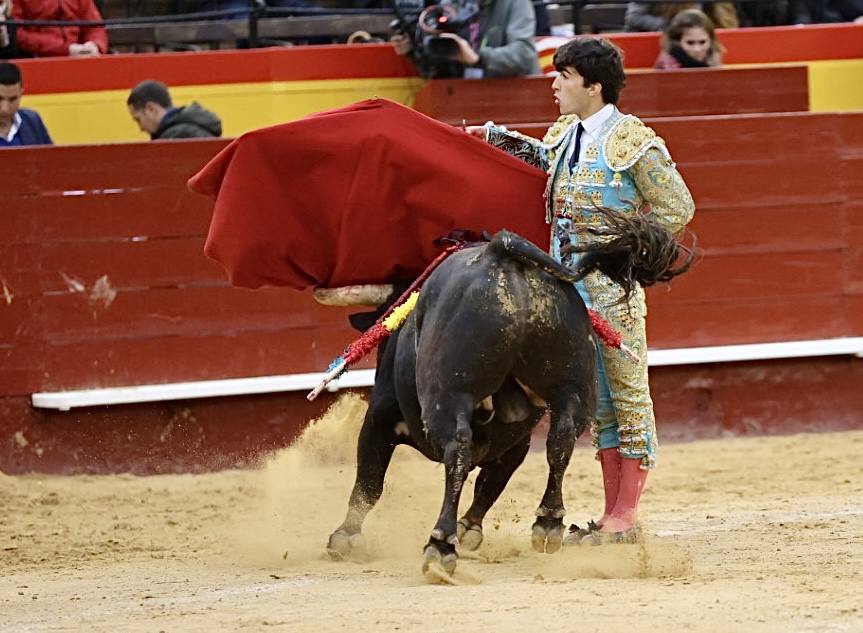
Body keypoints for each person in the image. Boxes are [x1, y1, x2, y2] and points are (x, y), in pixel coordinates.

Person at [467, 37, 695, 542]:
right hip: (564, 288)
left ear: (593, 86)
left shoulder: (632, 140)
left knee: (628, 396)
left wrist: (626, 253)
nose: (554, 84)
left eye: (563, 76)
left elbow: (678, 207)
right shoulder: (566, 131)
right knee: (598, 403)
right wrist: (492, 138)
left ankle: (624, 517)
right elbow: (544, 159)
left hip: (611, 291)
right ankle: (613, 517)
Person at [391, 0, 541, 79]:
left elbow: (524, 55)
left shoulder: (516, 3)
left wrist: (478, 57)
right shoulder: (451, 4)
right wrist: (413, 49)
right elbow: (438, 60)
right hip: (461, 95)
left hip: (511, 94)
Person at [127, 80, 222, 140]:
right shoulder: (191, 127)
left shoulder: (174, 136)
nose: (141, 128)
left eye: (138, 119)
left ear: (151, 109)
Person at [12, 0, 107, 57]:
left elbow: (95, 26)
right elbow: (16, 33)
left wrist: (95, 45)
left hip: (82, 56)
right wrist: (66, 49)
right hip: (37, 59)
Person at [0, 62, 52, 147]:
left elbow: (51, 158)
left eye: (12, 99)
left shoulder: (32, 121)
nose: (5, 109)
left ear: (21, 94)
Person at [654, 9, 723, 69]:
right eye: (690, 43)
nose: (697, 49)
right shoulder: (668, 63)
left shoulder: (713, 55)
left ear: (710, 40)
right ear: (677, 42)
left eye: (702, 42)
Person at [624, 2, 738, 31]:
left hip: (697, 36)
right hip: (656, 37)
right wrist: (672, 26)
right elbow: (633, 18)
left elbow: (726, 22)